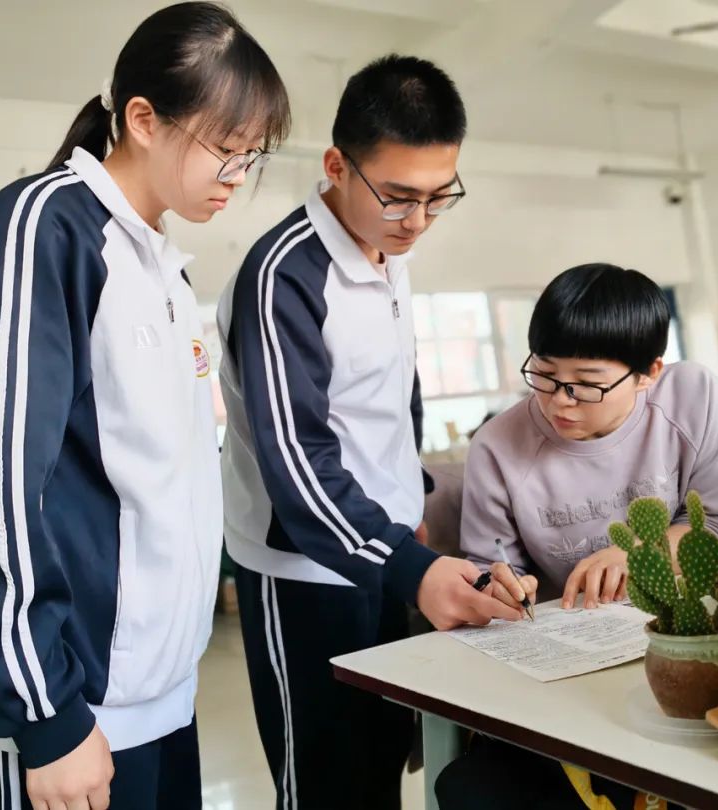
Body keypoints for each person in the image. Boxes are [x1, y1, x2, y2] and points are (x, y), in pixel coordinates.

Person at [0, 5, 290, 809]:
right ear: (142, 119)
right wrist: (45, 713)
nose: (237, 178)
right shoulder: (44, 227)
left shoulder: (164, 266)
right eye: (225, 153)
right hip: (72, 709)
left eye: (251, 158)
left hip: (161, 692)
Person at [217, 54, 528, 810]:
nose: (416, 220)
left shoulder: (390, 255)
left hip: (385, 546)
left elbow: (395, 384)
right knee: (329, 784)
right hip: (305, 573)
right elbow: (299, 461)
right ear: (336, 165)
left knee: (386, 759)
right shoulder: (283, 277)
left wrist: (412, 498)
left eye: (436, 197)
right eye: (397, 196)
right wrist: (407, 565)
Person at [435, 262, 718, 809]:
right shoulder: (497, 446)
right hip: (568, 665)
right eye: (545, 375)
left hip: (681, 647)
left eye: (587, 385)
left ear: (649, 372)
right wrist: (497, 587)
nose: (559, 402)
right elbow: (488, 570)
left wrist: (640, 553)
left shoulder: (690, 397)